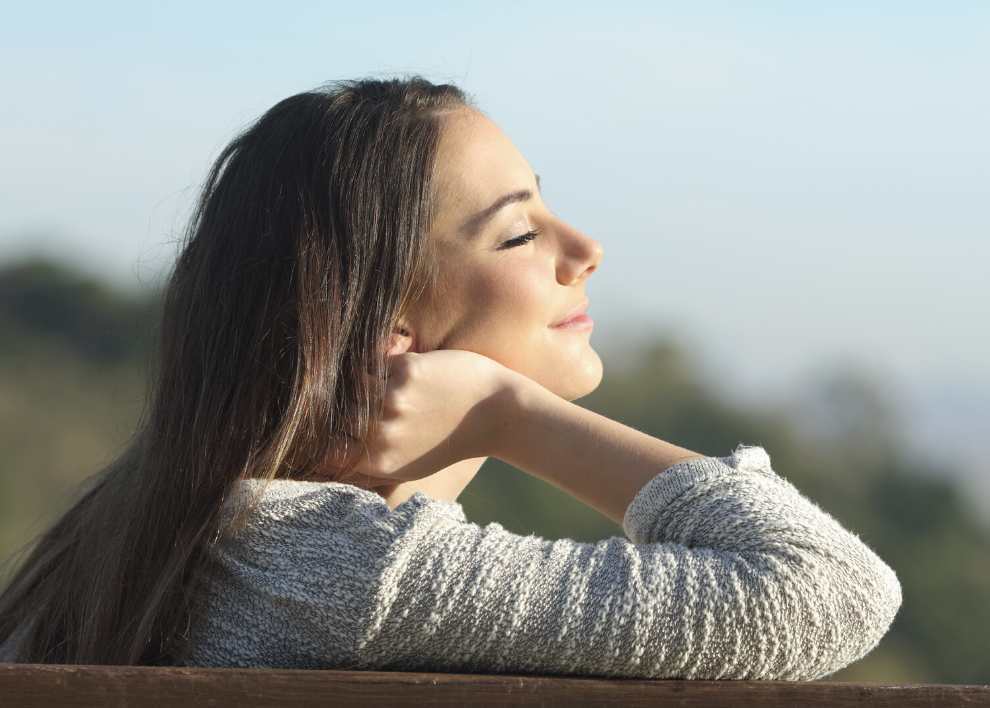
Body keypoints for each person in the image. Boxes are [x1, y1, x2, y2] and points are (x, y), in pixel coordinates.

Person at [0, 76, 901, 679]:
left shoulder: (160, 531)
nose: (584, 250)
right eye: (519, 233)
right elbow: (829, 589)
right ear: (393, 332)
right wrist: (512, 414)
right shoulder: (346, 570)